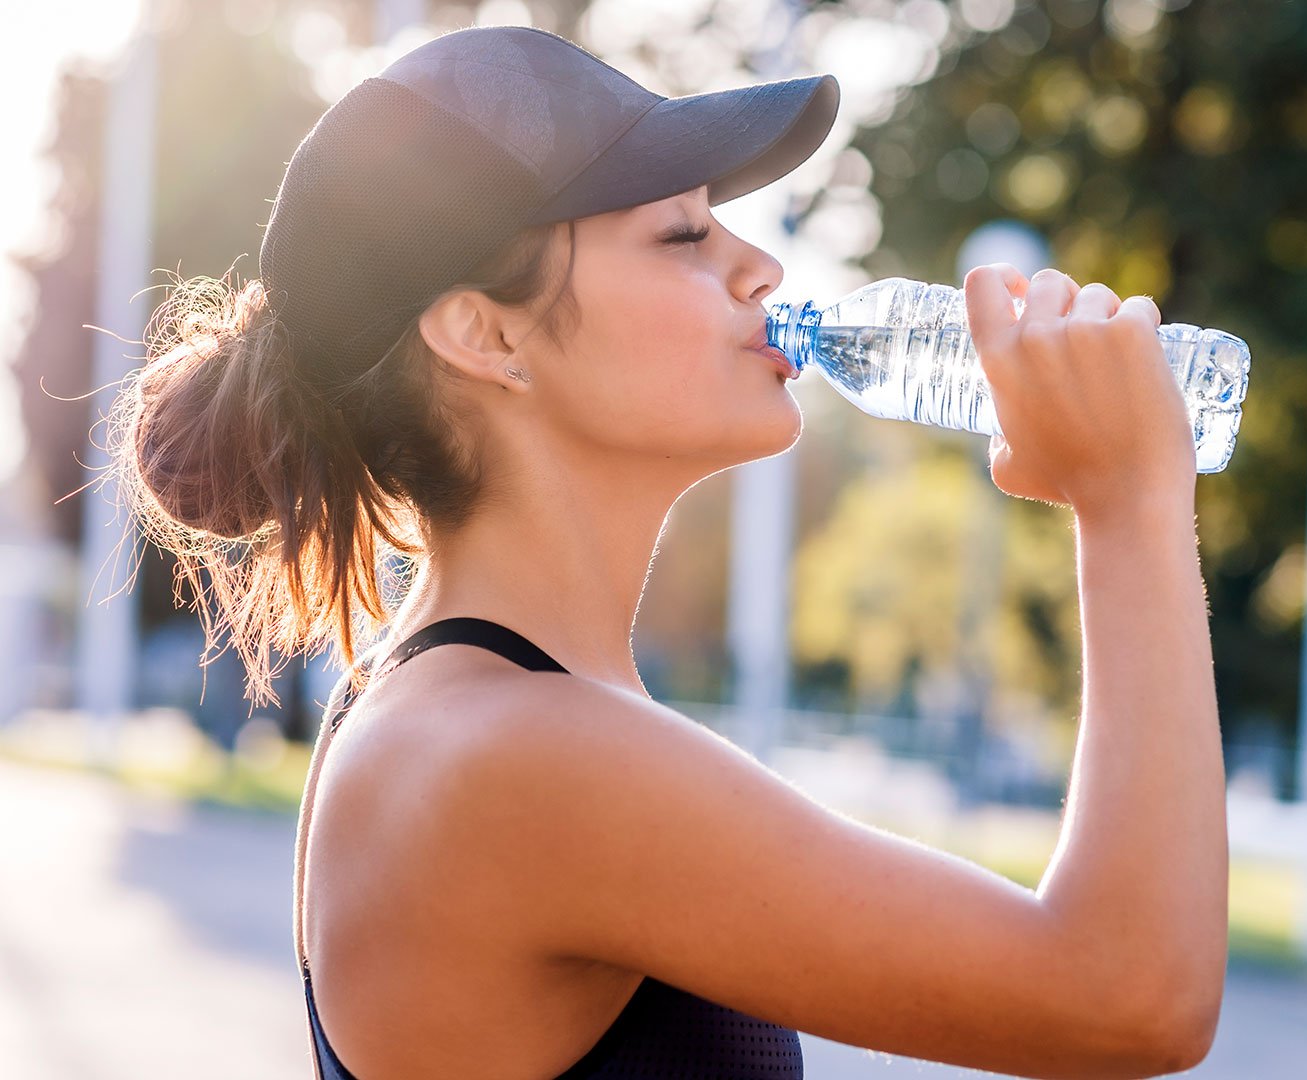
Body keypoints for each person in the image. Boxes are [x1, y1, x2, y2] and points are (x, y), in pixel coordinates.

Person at [109, 23, 1225, 1080]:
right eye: (686, 234)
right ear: (485, 333)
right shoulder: (514, 757)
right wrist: (1128, 504)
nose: (761, 270)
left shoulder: (468, 711)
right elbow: (1128, 995)